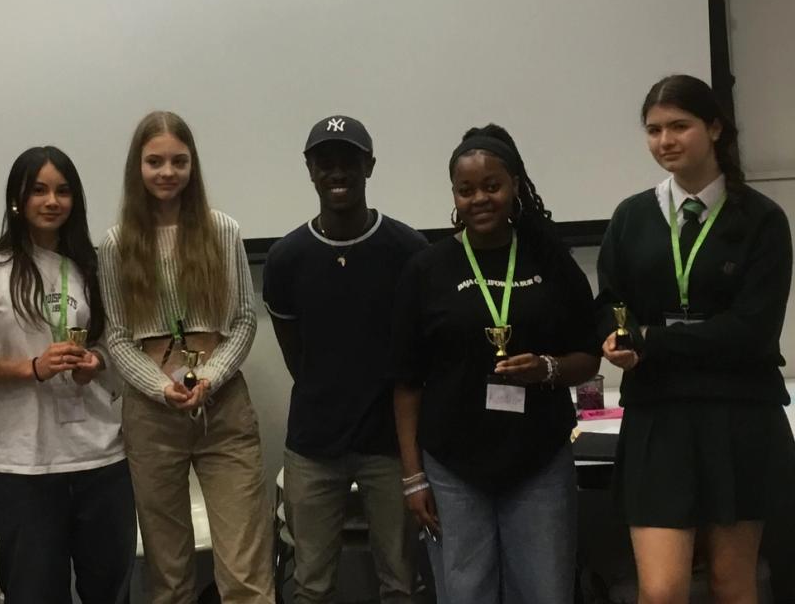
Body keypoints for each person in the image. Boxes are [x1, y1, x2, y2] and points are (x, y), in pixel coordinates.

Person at [596, 74, 795, 604]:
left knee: (734, 585)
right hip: (659, 416)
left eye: (679, 126)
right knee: (661, 591)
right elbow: (612, 302)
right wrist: (613, 336)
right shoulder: (631, 217)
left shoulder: (762, 220)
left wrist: (653, 342)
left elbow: (751, 331)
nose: (665, 141)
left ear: (714, 128)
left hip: (739, 414)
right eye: (654, 129)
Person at [392, 124, 601, 604]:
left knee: (546, 592)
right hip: (452, 466)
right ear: (454, 197)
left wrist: (547, 368)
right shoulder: (426, 269)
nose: (479, 199)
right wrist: (413, 477)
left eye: (492, 186)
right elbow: (405, 382)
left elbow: (588, 356)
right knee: (465, 593)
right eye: (466, 191)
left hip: (539, 460)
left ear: (514, 188)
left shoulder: (550, 260)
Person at [98, 111, 274, 604]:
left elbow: (242, 319)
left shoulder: (222, 230)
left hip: (223, 410)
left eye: (178, 161)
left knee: (244, 571)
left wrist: (211, 377)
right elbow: (117, 336)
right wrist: (160, 386)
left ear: (193, 165)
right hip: (152, 417)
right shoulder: (116, 244)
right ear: (138, 168)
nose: (167, 172)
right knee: (168, 572)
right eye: (155, 162)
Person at [0, 146, 134, 604]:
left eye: (63, 191)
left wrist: (94, 365)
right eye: (39, 190)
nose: (52, 201)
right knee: (34, 593)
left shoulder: (93, 267)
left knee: (109, 590)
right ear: (17, 199)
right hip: (24, 465)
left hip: (101, 460)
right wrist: (32, 368)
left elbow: (117, 350)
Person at [263, 115, 427, 603]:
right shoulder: (287, 258)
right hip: (313, 447)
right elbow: (298, 358)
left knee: (399, 582)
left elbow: (418, 354)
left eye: (349, 161)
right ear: (310, 169)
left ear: (369, 166)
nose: (338, 172)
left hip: (390, 446)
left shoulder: (408, 250)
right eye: (325, 162)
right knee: (311, 585)